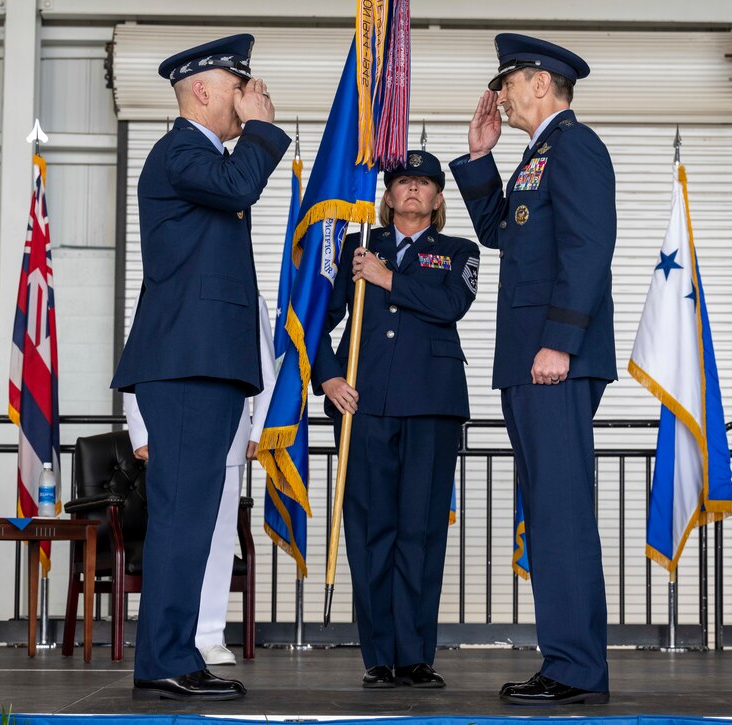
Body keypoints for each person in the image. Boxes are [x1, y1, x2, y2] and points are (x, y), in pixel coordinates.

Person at [110, 33, 289, 701]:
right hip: (187, 364)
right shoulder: (180, 151)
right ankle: (164, 659)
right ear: (205, 90)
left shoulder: (200, 156)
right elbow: (240, 183)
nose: (250, 96)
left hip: (205, 362)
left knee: (194, 516)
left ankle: (175, 653)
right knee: (184, 517)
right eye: (240, 86)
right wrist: (262, 130)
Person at [449, 34, 616, 705]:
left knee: (561, 513)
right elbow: (502, 231)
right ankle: (566, 661)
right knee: (548, 512)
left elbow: (588, 246)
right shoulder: (536, 155)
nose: (500, 95)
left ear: (541, 83)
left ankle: (576, 669)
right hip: (529, 359)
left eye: (508, 82)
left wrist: (561, 342)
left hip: (553, 360)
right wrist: (479, 159)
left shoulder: (575, 146)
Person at [312, 150, 479, 690]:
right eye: (402, 181)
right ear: (386, 195)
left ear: (437, 197)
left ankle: (415, 657)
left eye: (423, 183)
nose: (412, 189)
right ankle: (379, 656)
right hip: (364, 406)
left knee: (421, 533)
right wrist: (328, 377)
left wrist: (386, 279)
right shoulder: (356, 246)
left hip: (431, 406)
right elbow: (317, 318)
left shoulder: (459, 251)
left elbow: (451, 305)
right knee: (371, 532)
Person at [123, 293, 276, 668]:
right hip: (170, 434)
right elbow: (137, 363)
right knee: (174, 537)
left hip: (227, 436)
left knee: (218, 540)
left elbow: (265, 371)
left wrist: (259, 429)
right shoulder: (160, 288)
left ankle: (208, 635)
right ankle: (169, 637)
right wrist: (140, 432)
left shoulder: (246, 296)